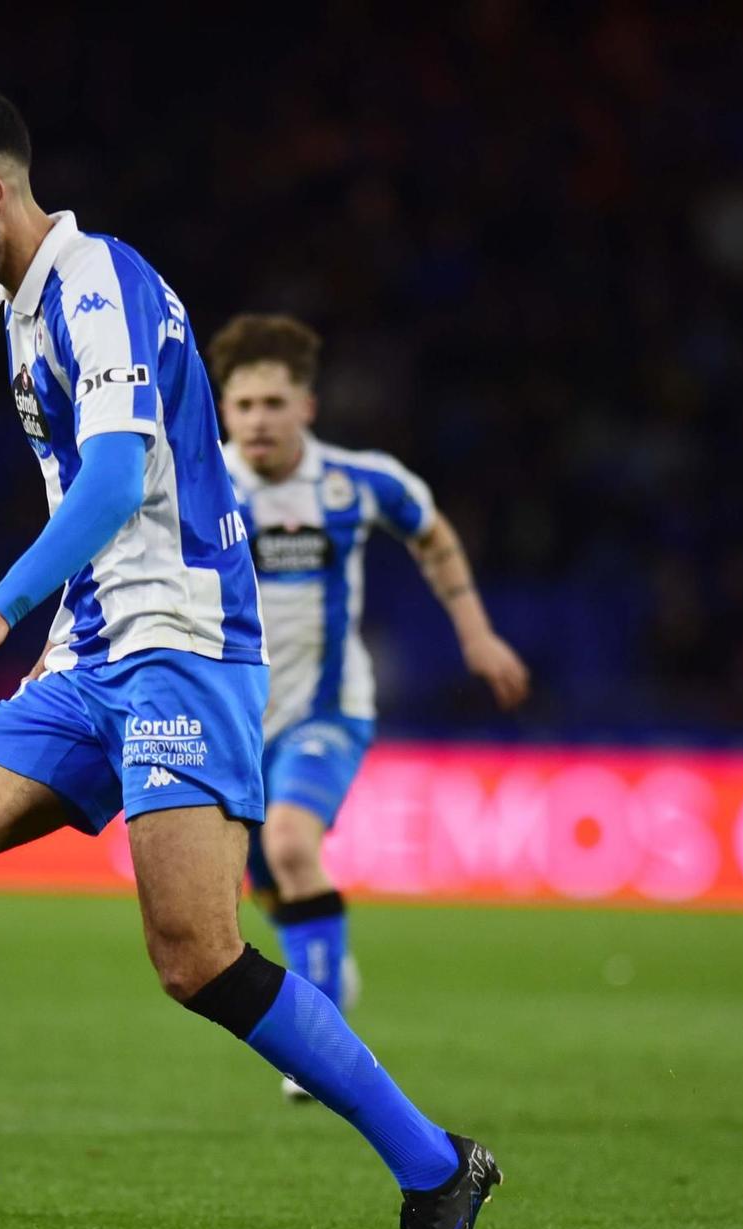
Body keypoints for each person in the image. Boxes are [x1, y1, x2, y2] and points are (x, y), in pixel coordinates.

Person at [0, 87, 501, 1229]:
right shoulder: (22, 304)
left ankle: (437, 1169)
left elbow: (119, 480)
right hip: (89, 654)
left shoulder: (96, 285)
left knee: (195, 958)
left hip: (182, 646)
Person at [209, 313, 529, 1099]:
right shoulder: (201, 483)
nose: (259, 420)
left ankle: (318, 1047)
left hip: (329, 709)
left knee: (291, 841)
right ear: (223, 410)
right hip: (235, 718)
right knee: (260, 877)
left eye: (274, 403)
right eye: (243, 404)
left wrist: (477, 634)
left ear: (307, 407)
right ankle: (327, 966)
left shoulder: (358, 482)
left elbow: (434, 537)